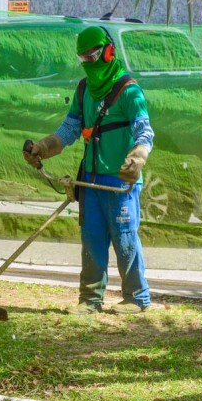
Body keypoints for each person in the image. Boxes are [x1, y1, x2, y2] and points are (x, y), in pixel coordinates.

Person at [23, 25, 154, 315]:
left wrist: (139, 155)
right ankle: (90, 299)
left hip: (120, 182)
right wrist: (43, 147)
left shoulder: (129, 90)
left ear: (109, 52)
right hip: (91, 181)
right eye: (83, 59)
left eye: (93, 56)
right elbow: (70, 129)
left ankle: (137, 297)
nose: (89, 63)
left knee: (125, 239)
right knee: (92, 240)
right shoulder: (83, 89)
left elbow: (144, 130)